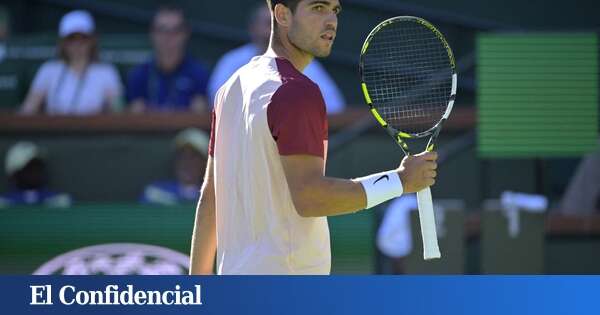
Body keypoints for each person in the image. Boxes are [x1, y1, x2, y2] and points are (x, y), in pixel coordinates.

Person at [189, 0, 437, 275]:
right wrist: (400, 182)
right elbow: (310, 197)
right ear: (282, 14)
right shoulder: (297, 92)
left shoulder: (231, 88)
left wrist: (198, 287)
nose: (331, 20)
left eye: (335, 10)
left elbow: (211, 196)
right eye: (318, 8)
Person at [207, 4, 346, 114]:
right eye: (269, 24)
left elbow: (335, 107)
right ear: (252, 28)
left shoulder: (306, 64)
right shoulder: (232, 61)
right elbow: (217, 101)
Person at [20, 10, 123, 115]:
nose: (77, 44)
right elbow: (28, 108)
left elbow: (118, 110)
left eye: (83, 39)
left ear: (92, 41)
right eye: (71, 39)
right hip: (55, 129)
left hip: (93, 129)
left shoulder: (106, 72)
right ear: (62, 43)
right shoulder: (48, 70)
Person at [126, 5, 210, 113]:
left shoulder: (199, 74)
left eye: (175, 31)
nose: (168, 37)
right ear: (152, 34)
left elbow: (201, 114)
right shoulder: (138, 75)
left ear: (185, 34)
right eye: (162, 30)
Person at [140, 128, 208, 206]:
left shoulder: (214, 196)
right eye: (182, 156)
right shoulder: (155, 193)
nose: (187, 162)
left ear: (205, 163)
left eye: (193, 157)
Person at [0, 142, 71, 208]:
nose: (35, 172)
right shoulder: (4, 203)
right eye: (29, 167)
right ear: (15, 173)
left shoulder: (59, 201)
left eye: (38, 166)